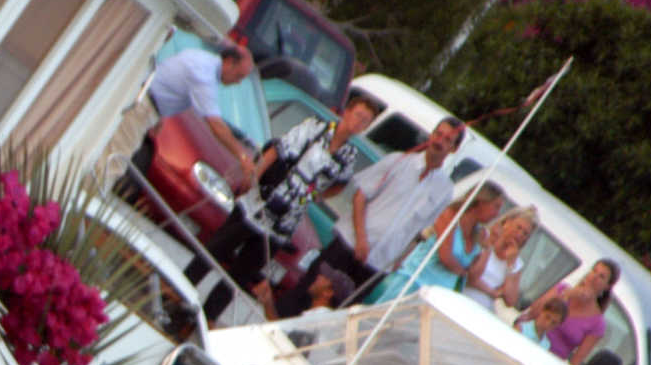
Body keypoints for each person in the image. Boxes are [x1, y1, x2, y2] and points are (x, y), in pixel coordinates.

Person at [188, 95, 378, 319]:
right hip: (262, 202)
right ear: (347, 112)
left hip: (285, 221)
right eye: (358, 116)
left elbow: (340, 185)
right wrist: (254, 175)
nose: (359, 124)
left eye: (365, 122)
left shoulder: (348, 156)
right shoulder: (314, 128)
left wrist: (316, 196)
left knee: (241, 274)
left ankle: (205, 316)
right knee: (216, 249)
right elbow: (277, 150)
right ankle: (180, 290)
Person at [312, 116, 463, 296]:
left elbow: (420, 233)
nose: (439, 141)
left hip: (376, 266)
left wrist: (399, 261)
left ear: (454, 148)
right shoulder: (398, 161)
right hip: (349, 245)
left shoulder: (444, 190)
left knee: (334, 318)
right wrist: (361, 238)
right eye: (438, 134)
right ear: (431, 135)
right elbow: (360, 196)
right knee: (305, 297)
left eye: (447, 140)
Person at [370, 184, 506, 302]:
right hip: (415, 283)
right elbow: (445, 256)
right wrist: (463, 272)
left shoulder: (480, 234)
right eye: (496, 207)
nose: (497, 214)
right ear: (482, 201)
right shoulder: (450, 215)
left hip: (439, 296)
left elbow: (474, 276)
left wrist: (488, 247)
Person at [149, 43, 258, 173]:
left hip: (147, 102)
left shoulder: (203, 59)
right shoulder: (205, 76)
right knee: (118, 163)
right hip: (144, 106)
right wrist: (243, 156)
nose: (238, 82)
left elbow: (171, 85)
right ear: (229, 62)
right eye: (238, 76)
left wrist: (161, 115)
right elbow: (215, 124)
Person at [516, 258, 620, 365]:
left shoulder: (597, 324)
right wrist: (567, 295)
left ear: (607, 286)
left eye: (601, 277)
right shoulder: (562, 290)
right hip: (526, 344)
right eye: (594, 271)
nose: (594, 277)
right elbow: (533, 312)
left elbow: (576, 361)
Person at [464, 205, 535, 311]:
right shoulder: (486, 238)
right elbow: (469, 276)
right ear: (507, 222)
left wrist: (511, 265)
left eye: (525, 233)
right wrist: (492, 292)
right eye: (518, 227)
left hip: (483, 309)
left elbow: (510, 300)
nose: (519, 234)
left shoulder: (517, 263)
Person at [249, 265, 353, 321]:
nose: (318, 277)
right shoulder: (319, 316)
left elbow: (282, 340)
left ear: (328, 292)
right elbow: (280, 333)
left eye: (325, 278)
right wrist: (268, 302)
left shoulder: (317, 318)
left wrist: (268, 303)